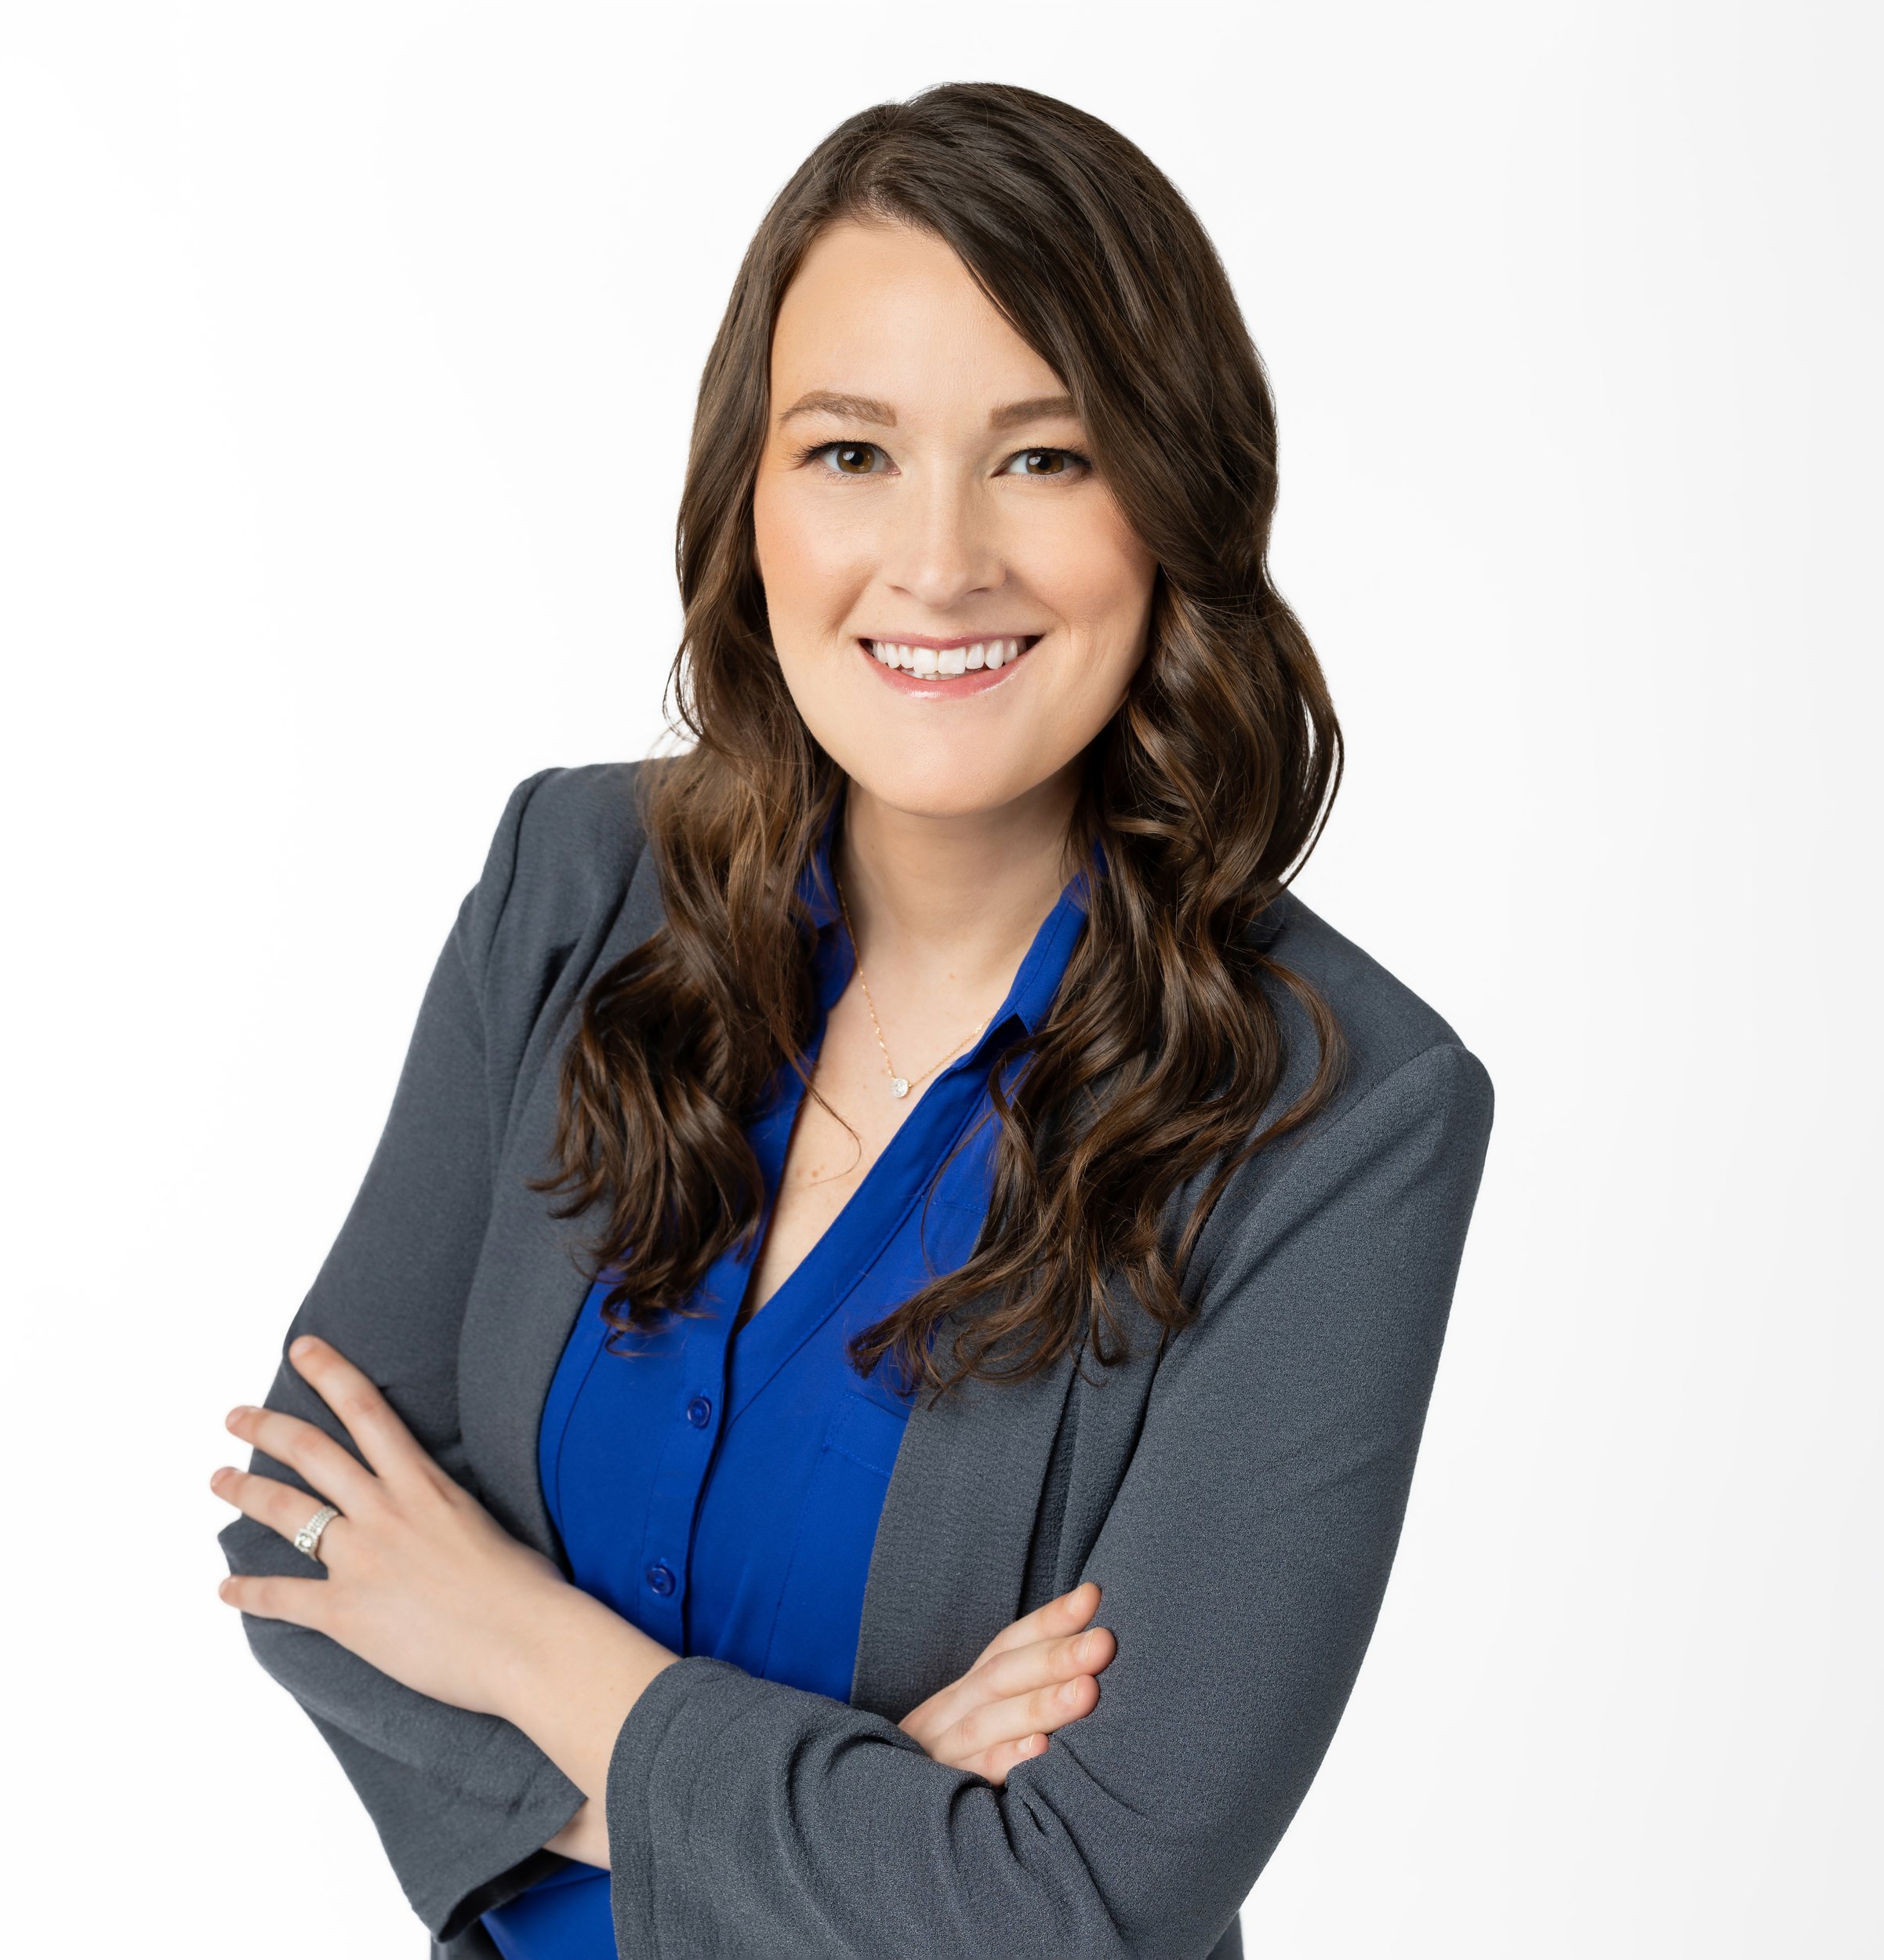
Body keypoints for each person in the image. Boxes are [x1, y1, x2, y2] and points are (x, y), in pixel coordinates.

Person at [212, 81, 1494, 1960]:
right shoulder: (573, 883)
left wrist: (528, 1647)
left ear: (1173, 506)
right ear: (749, 494)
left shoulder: (1342, 1117)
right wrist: (867, 1794)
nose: (940, 558)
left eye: (1044, 457)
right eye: (848, 452)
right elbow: (295, 1533)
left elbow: (1070, 1901)